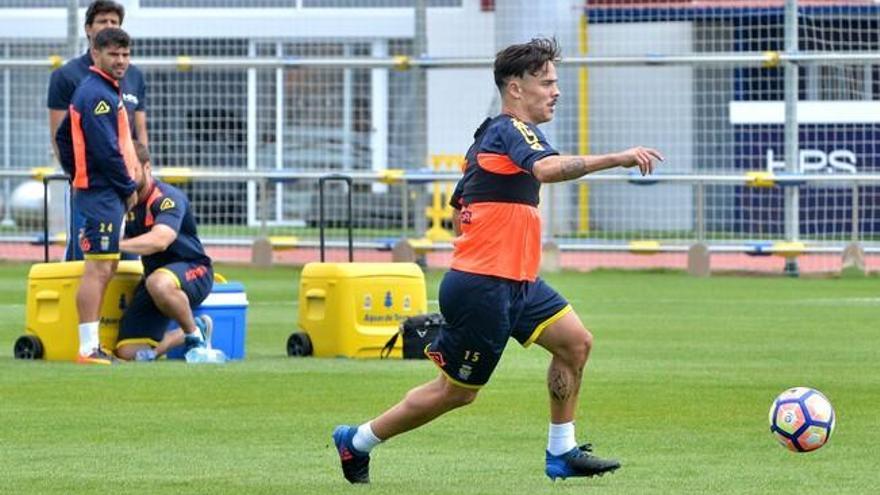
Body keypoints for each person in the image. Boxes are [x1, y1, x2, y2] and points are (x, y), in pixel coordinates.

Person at [332, 38, 663, 483]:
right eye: (546, 82)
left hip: (518, 283)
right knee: (456, 393)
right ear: (515, 88)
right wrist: (617, 158)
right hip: (485, 287)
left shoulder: (493, 138)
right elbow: (546, 170)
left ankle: (561, 451)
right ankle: (356, 442)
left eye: (555, 82)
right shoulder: (511, 129)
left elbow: (458, 206)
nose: (555, 91)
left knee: (575, 344)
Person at [56, 27, 141, 365]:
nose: (120, 61)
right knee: (98, 267)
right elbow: (107, 151)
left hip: (100, 190)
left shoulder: (99, 90)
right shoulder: (98, 95)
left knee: (108, 264)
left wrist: (76, 170)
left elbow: (64, 137)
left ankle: (93, 345)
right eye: (113, 54)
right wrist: (127, 187)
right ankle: (87, 347)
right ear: (96, 54)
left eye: (125, 54)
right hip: (102, 193)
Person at [48, 0, 148, 261]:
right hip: (94, 185)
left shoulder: (133, 74)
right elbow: (60, 135)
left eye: (114, 22)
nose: (109, 26)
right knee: (88, 258)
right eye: (103, 21)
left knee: (129, 255)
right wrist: (77, 175)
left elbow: (138, 130)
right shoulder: (68, 76)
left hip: (129, 182)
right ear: (88, 29)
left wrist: (142, 174)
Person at [115, 142, 214, 361]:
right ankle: (180, 336)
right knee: (127, 352)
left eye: (133, 169)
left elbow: (160, 240)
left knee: (158, 282)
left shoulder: (166, 198)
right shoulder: (121, 201)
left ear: (147, 167)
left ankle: (194, 338)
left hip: (194, 270)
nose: (127, 177)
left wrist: (114, 243)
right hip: (154, 280)